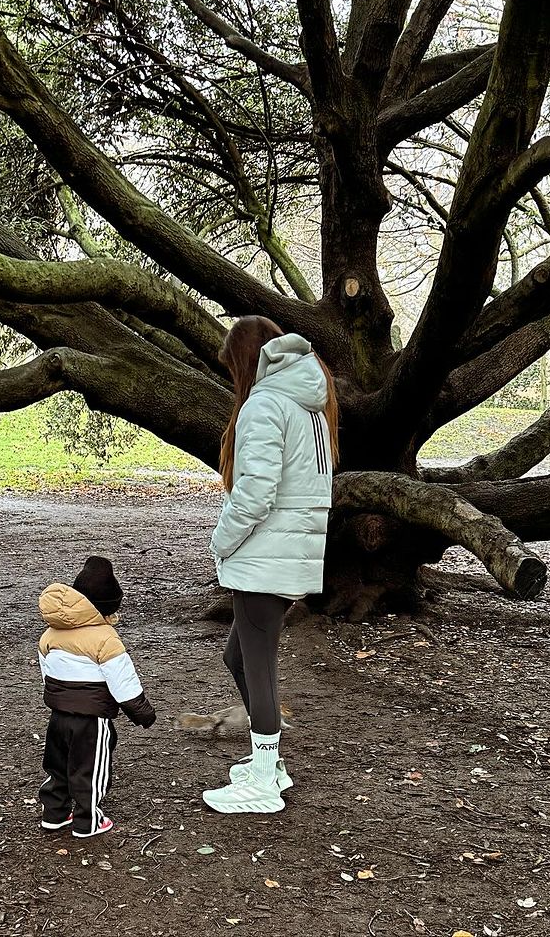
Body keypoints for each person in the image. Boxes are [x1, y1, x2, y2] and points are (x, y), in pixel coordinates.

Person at [203, 316, 338, 814]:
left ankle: (263, 780)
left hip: (264, 557)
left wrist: (221, 541)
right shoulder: (310, 408)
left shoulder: (264, 405)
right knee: (237, 658)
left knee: (257, 666)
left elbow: (255, 495)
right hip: (288, 554)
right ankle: (271, 763)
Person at [37, 556, 156, 837]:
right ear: (107, 609)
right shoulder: (106, 639)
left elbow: (47, 673)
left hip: (58, 715)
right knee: (90, 769)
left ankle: (54, 813)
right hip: (92, 719)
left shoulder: (51, 634)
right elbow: (123, 682)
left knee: (57, 764)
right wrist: (143, 713)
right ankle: (88, 820)